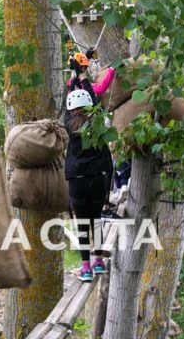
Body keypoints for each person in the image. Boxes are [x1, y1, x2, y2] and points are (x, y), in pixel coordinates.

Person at [64, 81, 114, 283]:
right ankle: (99, 261)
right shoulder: (99, 125)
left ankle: (86, 267)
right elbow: (94, 102)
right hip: (98, 179)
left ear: (71, 110)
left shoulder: (70, 125)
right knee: (97, 221)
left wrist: (74, 82)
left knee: (82, 224)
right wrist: (84, 80)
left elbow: (68, 108)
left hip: (78, 180)